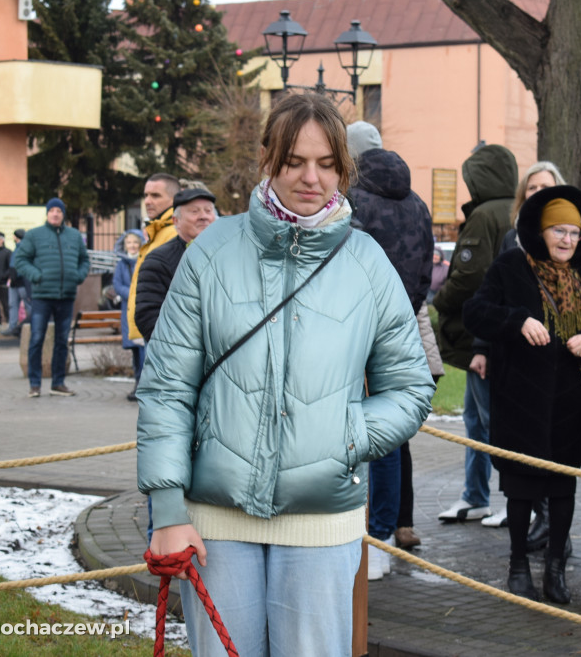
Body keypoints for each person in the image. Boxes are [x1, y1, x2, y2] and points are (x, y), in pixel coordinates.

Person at [137, 92, 434, 657]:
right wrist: (168, 511)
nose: (311, 177)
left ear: (343, 168)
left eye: (326, 163)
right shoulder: (211, 252)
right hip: (215, 519)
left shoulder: (367, 262)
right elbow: (167, 388)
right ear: (268, 160)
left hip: (322, 522)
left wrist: (348, 434)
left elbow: (411, 386)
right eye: (295, 161)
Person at [464, 186, 581, 603]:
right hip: (519, 400)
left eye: (574, 233)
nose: (567, 240)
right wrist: (518, 321)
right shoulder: (512, 266)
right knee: (520, 488)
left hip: (569, 402)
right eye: (559, 231)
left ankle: (555, 571)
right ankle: (517, 566)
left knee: (562, 489)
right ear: (541, 231)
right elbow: (474, 312)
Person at [347, 124, 436, 568]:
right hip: (400, 331)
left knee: (366, 437)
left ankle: (369, 536)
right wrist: (403, 313)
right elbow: (425, 272)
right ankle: (390, 528)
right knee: (392, 436)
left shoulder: (351, 199)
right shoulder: (418, 204)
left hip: (354, 331)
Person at [433, 143, 519, 522]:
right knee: (476, 418)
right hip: (498, 336)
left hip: (482, 337)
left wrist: (442, 300)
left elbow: (470, 275)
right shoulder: (514, 212)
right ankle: (477, 494)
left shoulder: (484, 216)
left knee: (488, 421)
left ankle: (512, 501)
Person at [490, 161, 566, 537]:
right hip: (516, 364)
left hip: (557, 365)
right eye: (531, 188)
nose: (538, 194)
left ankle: (554, 531)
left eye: (545, 187)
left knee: (554, 452)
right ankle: (534, 519)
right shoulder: (511, 239)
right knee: (522, 454)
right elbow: (490, 298)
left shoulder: (572, 237)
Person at [14, 197, 91, 398]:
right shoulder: (34, 235)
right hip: (42, 297)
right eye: (52, 211)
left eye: (58, 210)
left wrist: (78, 276)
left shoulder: (74, 236)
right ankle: (34, 384)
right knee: (37, 339)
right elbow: (20, 260)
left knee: (61, 341)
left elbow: (84, 260)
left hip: (66, 296)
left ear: (63, 214)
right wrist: (36, 276)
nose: (55, 214)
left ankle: (58, 383)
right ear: (47, 214)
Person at [133, 186, 218, 343]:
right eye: (194, 211)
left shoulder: (229, 254)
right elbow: (148, 317)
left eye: (208, 211)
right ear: (175, 221)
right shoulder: (159, 261)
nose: (203, 217)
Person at [126, 172, 180, 342]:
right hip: (150, 330)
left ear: (174, 199)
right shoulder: (157, 231)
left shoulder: (175, 233)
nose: (148, 201)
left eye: (155, 195)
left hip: (161, 333)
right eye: (146, 195)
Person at [113, 229, 146, 398]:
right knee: (135, 349)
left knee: (144, 349)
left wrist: (136, 294)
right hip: (128, 312)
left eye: (135, 242)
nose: (132, 246)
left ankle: (145, 384)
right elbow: (117, 284)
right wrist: (131, 294)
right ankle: (137, 381)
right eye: (129, 243)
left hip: (141, 308)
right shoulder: (122, 264)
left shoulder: (145, 260)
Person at [2, 229, 31, 337]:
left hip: (20, 282)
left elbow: (16, 265)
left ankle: (15, 327)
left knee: (23, 305)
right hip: (18, 281)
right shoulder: (20, 247)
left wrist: (12, 276)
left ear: (16, 237)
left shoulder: (22, 248)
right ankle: (15, 328)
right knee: (18, 305)